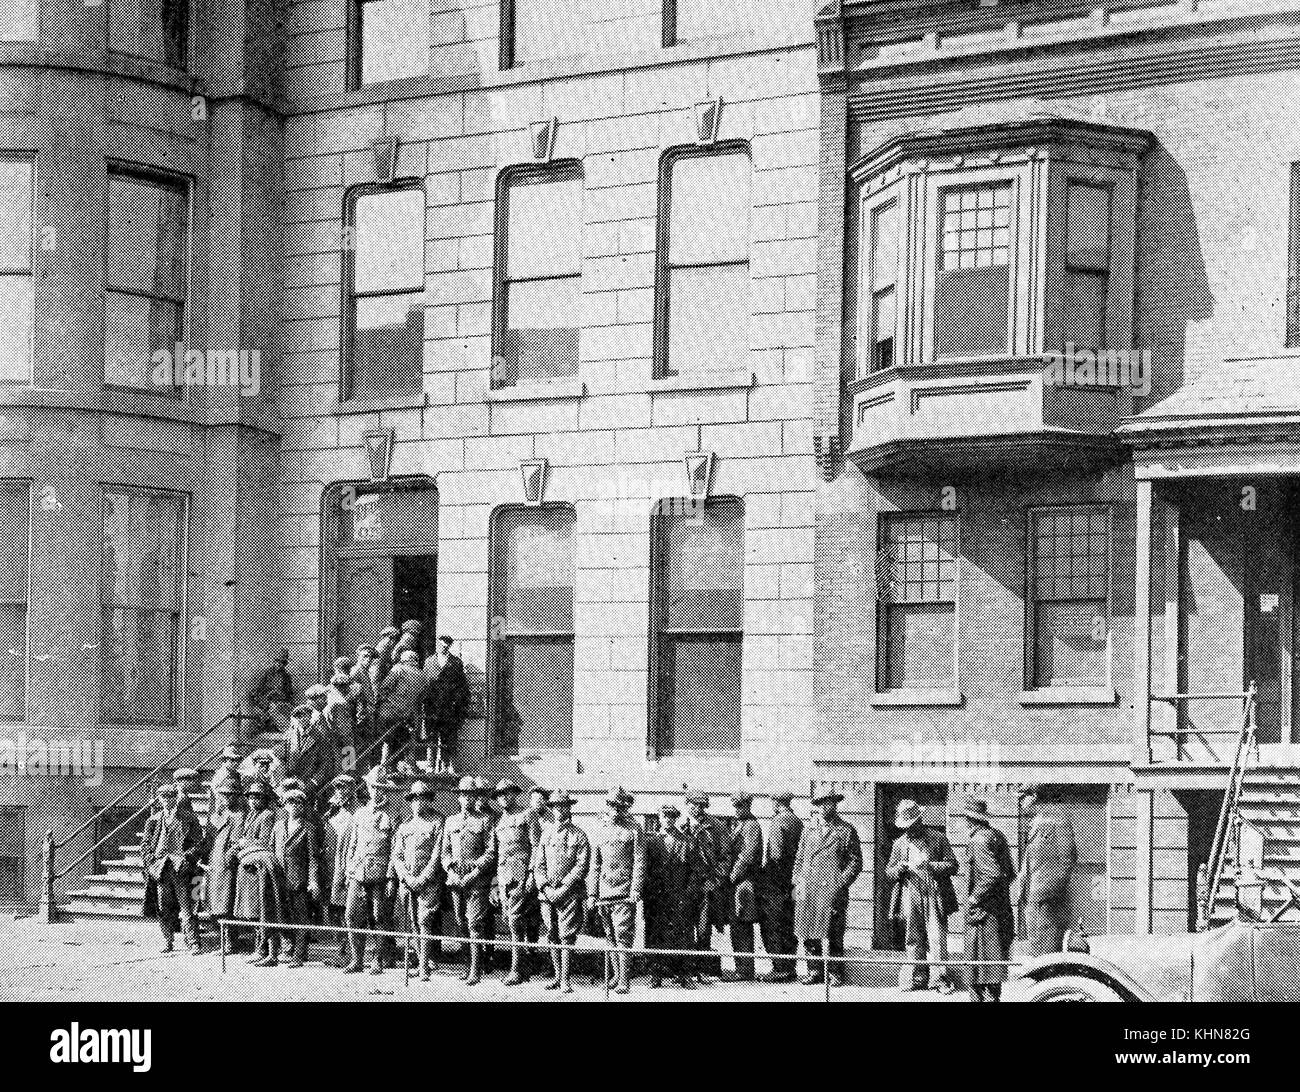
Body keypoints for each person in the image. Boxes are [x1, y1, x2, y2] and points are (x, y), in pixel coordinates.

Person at [885, 798, 959, 992]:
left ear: (919, 820)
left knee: (936, 937)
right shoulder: (899, 844)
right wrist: (899, 869)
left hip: (934, 893)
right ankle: (918, 976)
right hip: (910, 892)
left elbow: (953, 865)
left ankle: (940, 979)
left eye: (911, 824)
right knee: (913, 937)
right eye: (905, 826)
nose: (908, 829)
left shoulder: (938, 838)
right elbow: (888, 871)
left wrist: (931, 865)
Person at [794, 788, 863, 987]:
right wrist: (797, 883)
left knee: (834, 931)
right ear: (817, 806)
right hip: (808, 888)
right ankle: (814, 970)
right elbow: (799, 859)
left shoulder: (846, 830)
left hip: (832, 890)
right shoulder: (808, 829)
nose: (826, 806)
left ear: (835, 804)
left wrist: (840, 883)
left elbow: (856, 862)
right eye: (822, 803)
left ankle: (835, 972)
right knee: (807, 930)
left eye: (830, 802)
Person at [340, 770, 398, 974]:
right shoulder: (360, 813)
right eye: (373, 787)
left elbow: (394, 849)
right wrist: (348, 870)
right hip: (358, 870)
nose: (376, 792)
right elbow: (353, 844)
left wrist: (391, 876)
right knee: (351, 914)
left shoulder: (392, 815)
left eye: (381, 788)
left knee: (378, 916)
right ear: (368, 787)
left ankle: (377, 959)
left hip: (380, 873)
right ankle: (356, 959)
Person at [589, 788, 645, 995]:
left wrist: (635, 890)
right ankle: (615, 974)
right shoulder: (601, 829)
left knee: (623, 936)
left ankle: (624, 980)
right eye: (612, 806)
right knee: (609, 936)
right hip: (604, 892)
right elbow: (596, 864)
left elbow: (639, 862)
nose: (615, 810)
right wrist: (592, 893)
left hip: (624, 892)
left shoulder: (634, 829)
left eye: (620, 807)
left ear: (626, 807)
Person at [533, 790, 590, 993]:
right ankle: (557, 976)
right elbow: (538, 865)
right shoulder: (545, 834)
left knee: (567, 936)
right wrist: (546, 887)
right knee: (551, 934)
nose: (560, 810)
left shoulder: (579, 835)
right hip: (547, 895)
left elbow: (582, 866)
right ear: (552, 809)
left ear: (569, 808)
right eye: (556, 807)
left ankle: (566, 979)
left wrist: (564, 886)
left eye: (563, 806)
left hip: (569, 894)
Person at [441, 775, 495, 985]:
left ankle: (476, 970)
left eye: (472, 795)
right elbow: (445, 853)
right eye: (464, 795)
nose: (468, 799)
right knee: (460, 922)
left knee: (475, 923)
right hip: (455, 880)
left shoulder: (484, 820)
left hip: (476, 880)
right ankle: (467, 964)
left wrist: (474, 873)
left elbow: (491, 852)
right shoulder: (450, 821)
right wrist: (451, 872)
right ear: (459, 797)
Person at [961, 799, 1015, 1002]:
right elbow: (1009, 873)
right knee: (992, 971)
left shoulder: (978, 840)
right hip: (998, 912)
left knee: (976, 972)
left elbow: (992, 874)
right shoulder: (997, 836)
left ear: (970, 820)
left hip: (983, 916)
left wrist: (975, 897)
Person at [391, 780, 445, 981]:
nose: (418, 803)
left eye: (423, 798)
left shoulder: (438, 821)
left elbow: (437, 855)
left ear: (429, 800)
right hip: (407, 882)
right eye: (414, 799)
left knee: (425, 921)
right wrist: (405, 876)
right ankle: (421, 959)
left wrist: (423, 878)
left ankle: (424, 967)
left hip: (428, 882)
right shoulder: (404, 825)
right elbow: (397, 855)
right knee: (411, 921)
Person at [1015, 784, 1077, 957]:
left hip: (1047, 902)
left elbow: (1069, 859)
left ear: (1034, 796)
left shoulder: (1058, 819)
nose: (1019, 802)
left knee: (1048, 950)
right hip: (1031, 898)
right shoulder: (1035, 823)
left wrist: (1049, 894)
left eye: (1022, 797)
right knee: (1036, 948)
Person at [141, 782, 203, 954]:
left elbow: (198, 843)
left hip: (182, 870)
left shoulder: (188, 818)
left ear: (176, 798)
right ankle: (167, 941)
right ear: (159, 799)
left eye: (170, 797)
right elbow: (145, 845)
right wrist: (150, 862)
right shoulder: (153, 821)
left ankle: (193, 942)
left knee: (188, 906)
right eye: (164, 797)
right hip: (161, 869)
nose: (167, 800)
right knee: (163, 907)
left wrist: (188, 859)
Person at [644, 803, 697, 989]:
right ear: (659, 818)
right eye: (665, 816)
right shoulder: (650, 841)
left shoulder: (687, 841)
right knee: (654, 934)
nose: (668, 820)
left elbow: (694, 872)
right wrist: (648, 894)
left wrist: (687, 894)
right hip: (656, 898)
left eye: (672, 817)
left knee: (682, 934)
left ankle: (684, 974)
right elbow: (644, 870)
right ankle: (655, 973)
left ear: (676, 819)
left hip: (679, 896)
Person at [232, 780, 285, 966]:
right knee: (255, 911)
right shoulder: (251, 815)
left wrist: (243, 844)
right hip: (250, 869)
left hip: (261, 869)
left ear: (265, 799)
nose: (254, 800)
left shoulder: (267, 815)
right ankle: (259, 949)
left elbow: (264, 842)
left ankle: (270, 952)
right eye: (252, 797)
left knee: (266, 910)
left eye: (258, 797)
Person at [273, 787, 323, 967]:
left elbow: (313, 858)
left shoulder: (309, 828)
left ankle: (299, 954)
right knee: (282, 915)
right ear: (285, 806)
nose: (294, 806)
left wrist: (313, 880)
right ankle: (286, 948)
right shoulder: (278, 826)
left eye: (298, 803)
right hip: (279, 878)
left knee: (301, 917)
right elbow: (272, 851)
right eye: (290, 803)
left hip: (299, 880)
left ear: (303, 806)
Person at [682, 789, 728, 980]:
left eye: (702, 806)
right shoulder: (679, 825)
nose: (699, 809)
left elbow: (725, 858)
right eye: (695, 805)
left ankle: (701, 969)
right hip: (684, 886)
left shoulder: (716, 826)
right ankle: (686, 970)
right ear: (687, 804)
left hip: (706, 886)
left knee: (703, 929)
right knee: (684, 928)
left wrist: (715, 881)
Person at [491, 779, 533, 985]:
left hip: (522, 876)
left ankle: (516, 970)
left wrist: (532, 874)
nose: (504, 798)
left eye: (508, 793)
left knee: (515, 921)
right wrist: (495, 883)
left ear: (515, 794)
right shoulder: (498, 822)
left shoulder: (527, 815)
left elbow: (537, 846)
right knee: (510, 921)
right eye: (500, 795)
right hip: (504, 878)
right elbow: (497, 855)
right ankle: (523, 967)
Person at [758, 790, 802, 983]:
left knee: (773, 925)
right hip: (793, 883)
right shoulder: (798, 821)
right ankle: (790, 967)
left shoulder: (778, 822)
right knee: (789, 924)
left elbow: (775, 855)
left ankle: (779, 968)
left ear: (776, 803)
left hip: (776, 884)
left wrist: (767, 875)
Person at [201, 775, 245, 943]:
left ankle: (230, 941)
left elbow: (236, 842)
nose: (226, 798)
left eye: (230, 794)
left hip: (226, 866)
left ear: (236, 796)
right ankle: (221, 939)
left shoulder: (239, 816)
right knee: (209, 900)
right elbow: (208, 839)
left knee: (226, 903)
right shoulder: (216, 815)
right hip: (212, 863)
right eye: (223, 794)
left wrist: (228, 859)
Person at [724, 791, 763, 982]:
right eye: (736, 806)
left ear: (748, 806)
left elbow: (747, 854)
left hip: (744, 882)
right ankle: (742, 966)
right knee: (736, 924)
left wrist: (731, 875)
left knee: (742, 924)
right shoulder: (739, 824)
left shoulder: (751, 825)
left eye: (741, 806)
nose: (738, 809)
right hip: (738, 882)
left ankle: (745, 969)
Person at [322, 774, 358, 967]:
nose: (340, 792)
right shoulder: (332, 817)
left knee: (350, 913)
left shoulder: (358, 815)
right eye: (337, 788)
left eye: (344, 788)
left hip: (350, 871)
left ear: (352, 790)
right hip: (331, 871)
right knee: (335, 911)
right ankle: (343, 951)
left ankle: (354, 955)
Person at [423, 636, 470, 769]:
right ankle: (430, 766)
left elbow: (462, 686)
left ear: (449, 646)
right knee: (431, 736)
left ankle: (444, 766)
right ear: (438, 645)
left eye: (446, 645)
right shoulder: (429, 662)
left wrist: (458, 705)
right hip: (431, 707)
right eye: (441, 645)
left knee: (446, 737)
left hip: (448, 707)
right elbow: (424, 683)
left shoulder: (456, 662)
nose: (443, 647)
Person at [375, 649, 427, 759]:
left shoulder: (398, 669)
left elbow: (384, 688)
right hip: (408, 716)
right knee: (404, 741)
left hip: (391, 713)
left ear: (403, 660)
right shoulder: (422, 675)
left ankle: (384, 766)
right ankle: (407, 764)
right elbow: (422, 697)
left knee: (387, 741)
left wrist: (379, 703)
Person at [284, 704, 337, 803]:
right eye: (298, 716)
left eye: (305, 716)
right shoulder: (290, 736)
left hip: (310, 785)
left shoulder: (320, 737)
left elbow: (326, 763)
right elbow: (284, 758)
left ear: (310, 717)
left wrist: (313, 782)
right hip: (292, 783)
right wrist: (286, 779)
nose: (302, 719)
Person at [522, 786, 549, 967]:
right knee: (528, 915)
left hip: (546, 873)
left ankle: (548, 961)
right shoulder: (526, 816)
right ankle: (529, 954)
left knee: (546, 919)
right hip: (526, 872)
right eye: (533, 799)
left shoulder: (551, 818)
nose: (536, 802)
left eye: (540, 799)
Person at [248, 650, 294, 731]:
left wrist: (281, 697)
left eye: (283, 663)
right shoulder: (267, 674)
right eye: (278, 662)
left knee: (283, 714)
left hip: (280, 704)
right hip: (266, 703)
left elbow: (289, 694)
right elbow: (257, 690)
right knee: (269, 712)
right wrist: (265, 699)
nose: (280, 665)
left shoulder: (287, 677)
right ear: (275, 661)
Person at [208, 746, 245, 813]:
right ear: (225, 761)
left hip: (236, 804)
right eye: (232, 760)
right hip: (224, 806)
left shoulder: (236, 774)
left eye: (237, 760)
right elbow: (217, 795)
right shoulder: (221, 775)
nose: (235, 763)